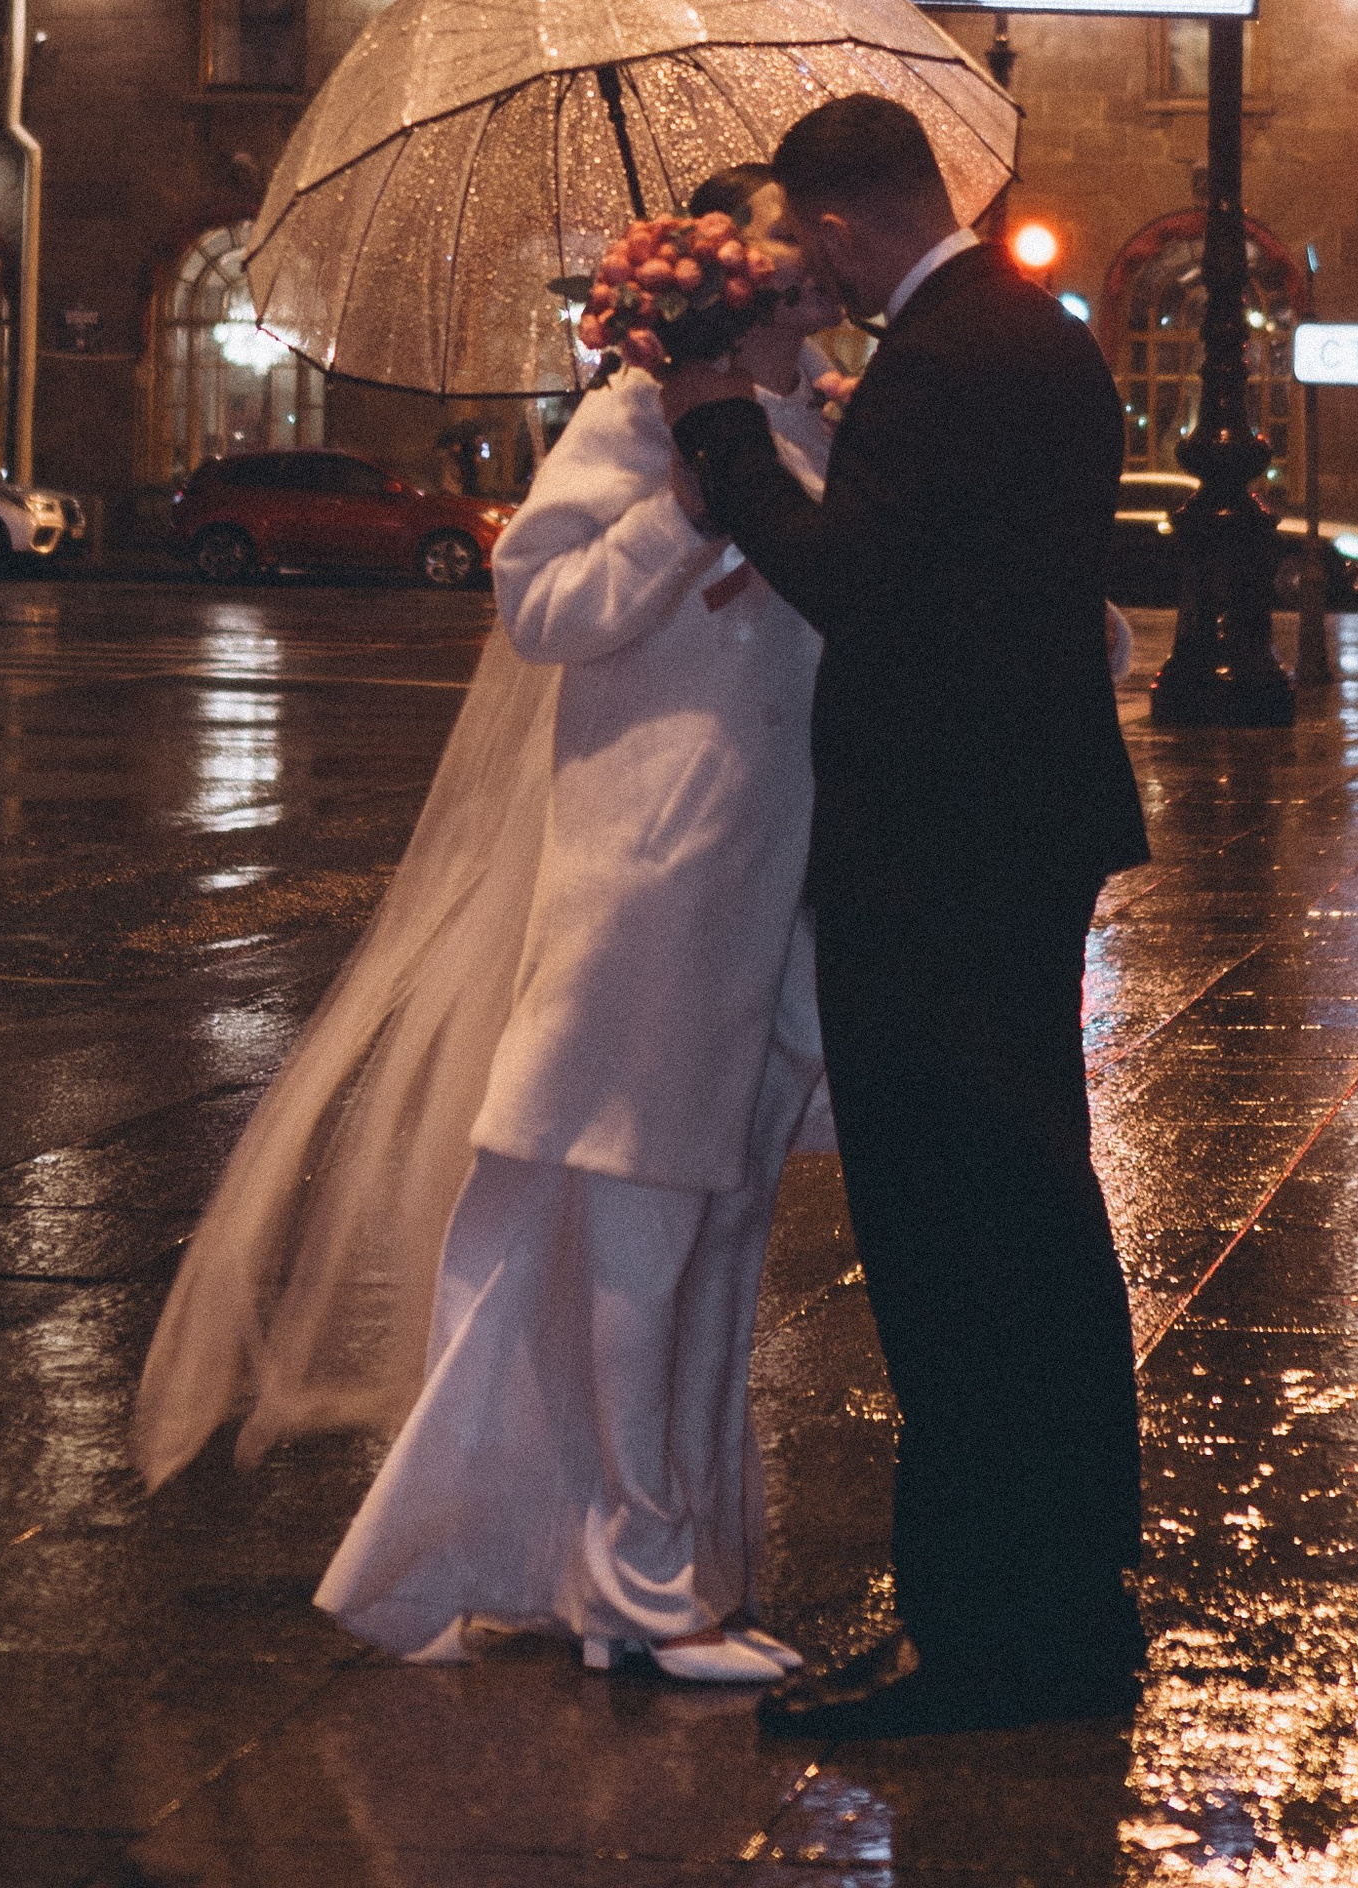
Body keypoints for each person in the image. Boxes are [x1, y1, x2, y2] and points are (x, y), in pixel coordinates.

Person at [135, 166, 839, 1686]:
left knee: (692, 1237)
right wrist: (680, 519)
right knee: (638, 1236)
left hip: (758, 889)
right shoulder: (638, 426)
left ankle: (610, 1560)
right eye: (787, 244)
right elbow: (540, 609)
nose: (819, 268)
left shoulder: (821, 427)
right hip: (646, 887)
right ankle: (645, 1594)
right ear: (733, 285)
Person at [663, 92, 1150, 1740]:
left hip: (938, 856)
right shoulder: (1035, 333)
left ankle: (977, 1640)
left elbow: (855, 581)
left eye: (815, 245)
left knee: (951, 1254)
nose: (817, 276)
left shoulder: (942, 359)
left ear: (852, 226)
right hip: (1019, 837)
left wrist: (722, 423)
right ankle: (1072, 1604)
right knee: (1038, 1227)